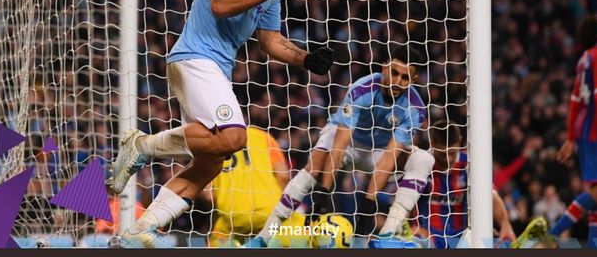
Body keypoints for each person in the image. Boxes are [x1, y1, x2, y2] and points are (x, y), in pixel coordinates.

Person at [108, 0, 334, 248]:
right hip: (196, 58)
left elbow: (271, 40)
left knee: (211, 162)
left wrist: (305, 58)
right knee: (234, 137)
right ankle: (144, 146)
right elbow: (220, 3)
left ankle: (139, 229)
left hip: (213, 67)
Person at [248, 46, 435, 247]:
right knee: (317, 161)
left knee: (424, 159)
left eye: (405, 77)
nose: (397, 81)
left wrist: (369, 204)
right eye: (394, 73)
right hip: (349, 143)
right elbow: (340, 144)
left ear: (413, 81)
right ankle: (263, 237)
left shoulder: (415, 108)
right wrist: (324, 192)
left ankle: (386, 237)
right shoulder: (361, 89)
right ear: (384, 68)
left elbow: (390, 156)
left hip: (379, 153)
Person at [515, 15, 597, 249]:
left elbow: (574, 101)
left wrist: (572, 138)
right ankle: (549, 236)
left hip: (585, 130)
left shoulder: (585, 58)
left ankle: (594, 247)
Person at [416, 123, 516, 248]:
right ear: (433, 144)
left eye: (452, 153)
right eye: (442, 154)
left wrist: (505, 223)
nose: (447, 159)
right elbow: (407, 197)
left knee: (503, 243)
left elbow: (491, 195)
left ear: (459, 143)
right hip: (429, 235)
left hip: (461, 235)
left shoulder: (469, 163)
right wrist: (414, 226)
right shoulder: (421, 163)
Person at [204, 125, 290, 247]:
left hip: (234, 216)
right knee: (302, 231)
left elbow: (208, 196)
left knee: (217, 239)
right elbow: (283, 176)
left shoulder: (209, 145)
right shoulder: (263, 137)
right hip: (271, 210)